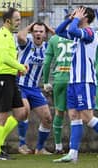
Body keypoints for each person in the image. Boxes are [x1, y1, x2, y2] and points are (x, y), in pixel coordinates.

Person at [53, 6, 98, 162]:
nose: (75, 14)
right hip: (73, 81)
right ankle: (73, 154)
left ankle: (73, 153)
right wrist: (70, 19)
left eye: (79, 12)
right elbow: (58, 31)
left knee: (88, 117)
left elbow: (72, 31)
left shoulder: (90, 33)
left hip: (84, 81)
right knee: (73, 115)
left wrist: (76, 19)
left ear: (85, 17)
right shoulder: (77, 34)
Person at [0, 7, 28, 160]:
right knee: (1, 116)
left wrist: (18, 68)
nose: (19, 22)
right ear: (8, 21)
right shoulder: (4, 35)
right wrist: (20, 67)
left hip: (10, 78)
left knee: (21, 112)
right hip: (2, 79)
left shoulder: (8, 35)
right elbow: (5, 58)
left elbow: (8, 58)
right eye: (17, 19)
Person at [17, 22, 54, 155]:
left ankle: (39, 148)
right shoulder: (26, 44)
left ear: (45, 34)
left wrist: (49, 29)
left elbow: (61, 40)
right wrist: (31, 25)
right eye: (36, 31)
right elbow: (20, 36)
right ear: (32, 33)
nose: (38, 33)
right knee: (24, 111)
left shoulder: (48, 47)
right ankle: (22, 145)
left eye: (41, 31)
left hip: (34, 88)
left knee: (48, 118)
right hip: (20, 85)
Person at [43, 34, 73, 154]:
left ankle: (58, 147)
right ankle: (73, 148)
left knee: (59, 112)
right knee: (74, 114)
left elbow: (46, 63)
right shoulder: (78, 37)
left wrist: (45, 81)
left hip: (59, 79)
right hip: (74, 80)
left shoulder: (54, 39)